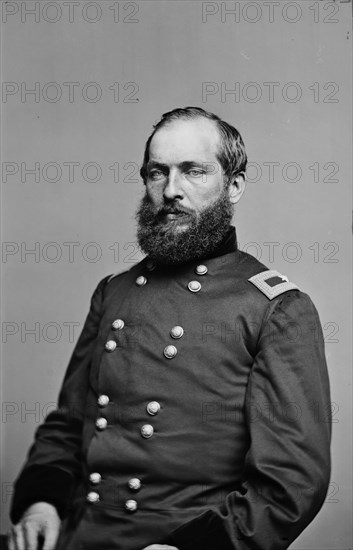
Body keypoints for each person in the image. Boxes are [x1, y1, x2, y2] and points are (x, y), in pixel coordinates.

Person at [9, 107, 331, 550]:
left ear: (233, 186)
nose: (171, 190)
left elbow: (290, 483)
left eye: (193, 171)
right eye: (157, 173)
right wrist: (40, 503)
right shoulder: (114, 292)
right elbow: (68, 424)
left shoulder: (275, 308)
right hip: (79, 534)